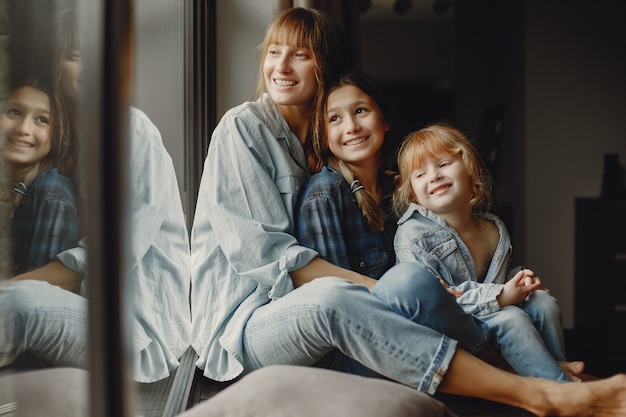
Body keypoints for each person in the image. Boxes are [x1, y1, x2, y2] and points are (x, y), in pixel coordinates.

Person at [190, 7, 626, 417]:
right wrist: (374, 290)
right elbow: (266, 258)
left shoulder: (318, 150)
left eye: (299, 55)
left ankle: (547, 374)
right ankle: (542, 393)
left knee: (418, 282)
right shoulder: (243, 128)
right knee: (339, 295)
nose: (281, 67)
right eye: (273, 52)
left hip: (309, 321)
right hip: (246, 328)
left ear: (324, 68)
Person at [0, 6, 191, 383]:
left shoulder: (129, 130)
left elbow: (106, 259)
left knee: (14, 304)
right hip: (89, 314)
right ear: (56, 64)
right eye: (75, 56)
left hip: (136, 334)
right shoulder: (71, 142)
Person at [386, 123, 582, 382]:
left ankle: (557, 367)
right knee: (512, 318)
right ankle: (561, 389)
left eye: (444, 164)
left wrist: (519, 278)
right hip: (449, 325)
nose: (433, 175)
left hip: (485, 311)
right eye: (420, 174)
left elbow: (493, 280)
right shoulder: (412, 235)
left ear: (470, 170)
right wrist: (500, 297)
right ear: (412, 193)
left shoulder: (494, 228)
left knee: (544, 303)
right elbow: (434, 301)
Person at [295, 70, 398, 279]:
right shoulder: (324, 193)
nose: (351, 127)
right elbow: (336, 296)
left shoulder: (395, 188)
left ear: (384, 120)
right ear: (324, 136)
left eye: (360, 110)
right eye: (335, 118)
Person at [1, 78, 79, 275]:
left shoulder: (52, 191)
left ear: (57, 135)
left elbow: (38, 296)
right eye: (14, 112)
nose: (23, 129)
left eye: (42, 120)